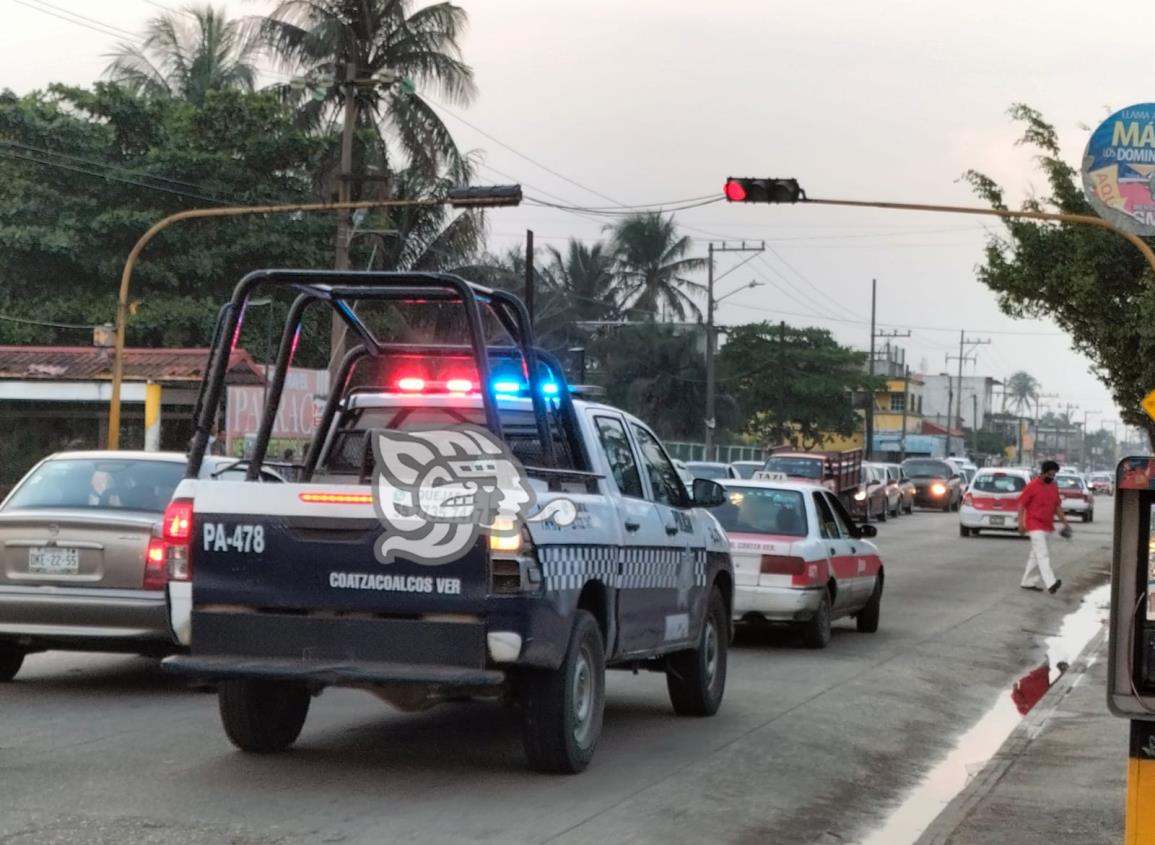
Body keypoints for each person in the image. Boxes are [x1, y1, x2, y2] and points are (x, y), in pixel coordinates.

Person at [1017, 459, 1071, 594]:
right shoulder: (1032, 486)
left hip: (1047, 526)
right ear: (1043, 472)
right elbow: (1021, 505)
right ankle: (1051, 583)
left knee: (1036, 556)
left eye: (1054, 475)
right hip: (1034, 525)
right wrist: (1020, 523)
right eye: (1050, 474)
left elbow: (1057, 507)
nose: (1052, 477)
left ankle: (1027, 582)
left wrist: (1065, 523)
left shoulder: (1053, 487)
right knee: (1043, 555)